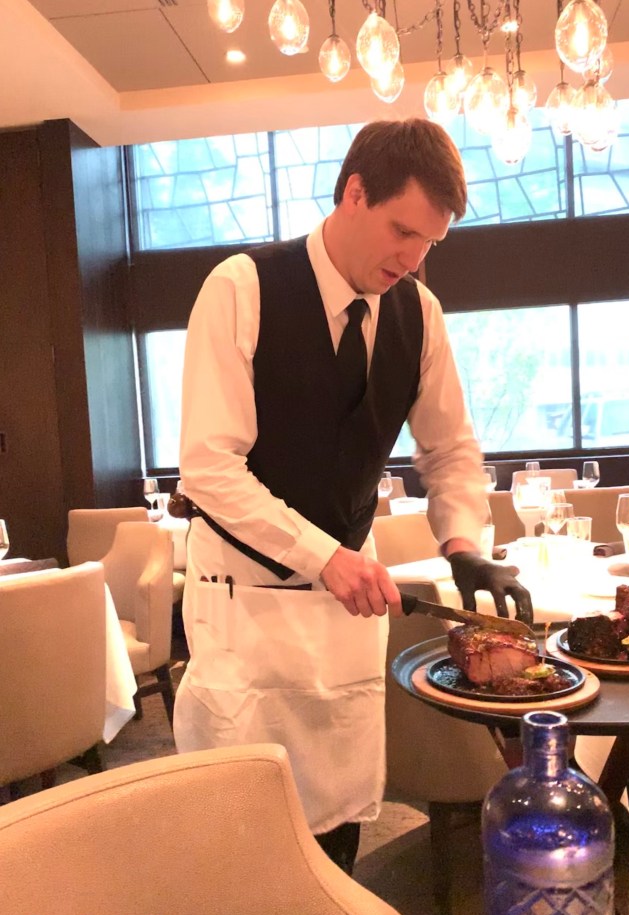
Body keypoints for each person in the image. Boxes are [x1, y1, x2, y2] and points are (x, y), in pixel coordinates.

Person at [174, 117, 532, 875]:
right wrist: (322, 556)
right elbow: (208, 467)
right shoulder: (242, 287)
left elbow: (449, 449)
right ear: (354, 192)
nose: (412, 258)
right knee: (243, 832)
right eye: (402, 231)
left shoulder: (418, 313)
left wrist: (463, 544)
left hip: (344, 616)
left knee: (334, 826)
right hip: (246, 602)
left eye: (430, 243)